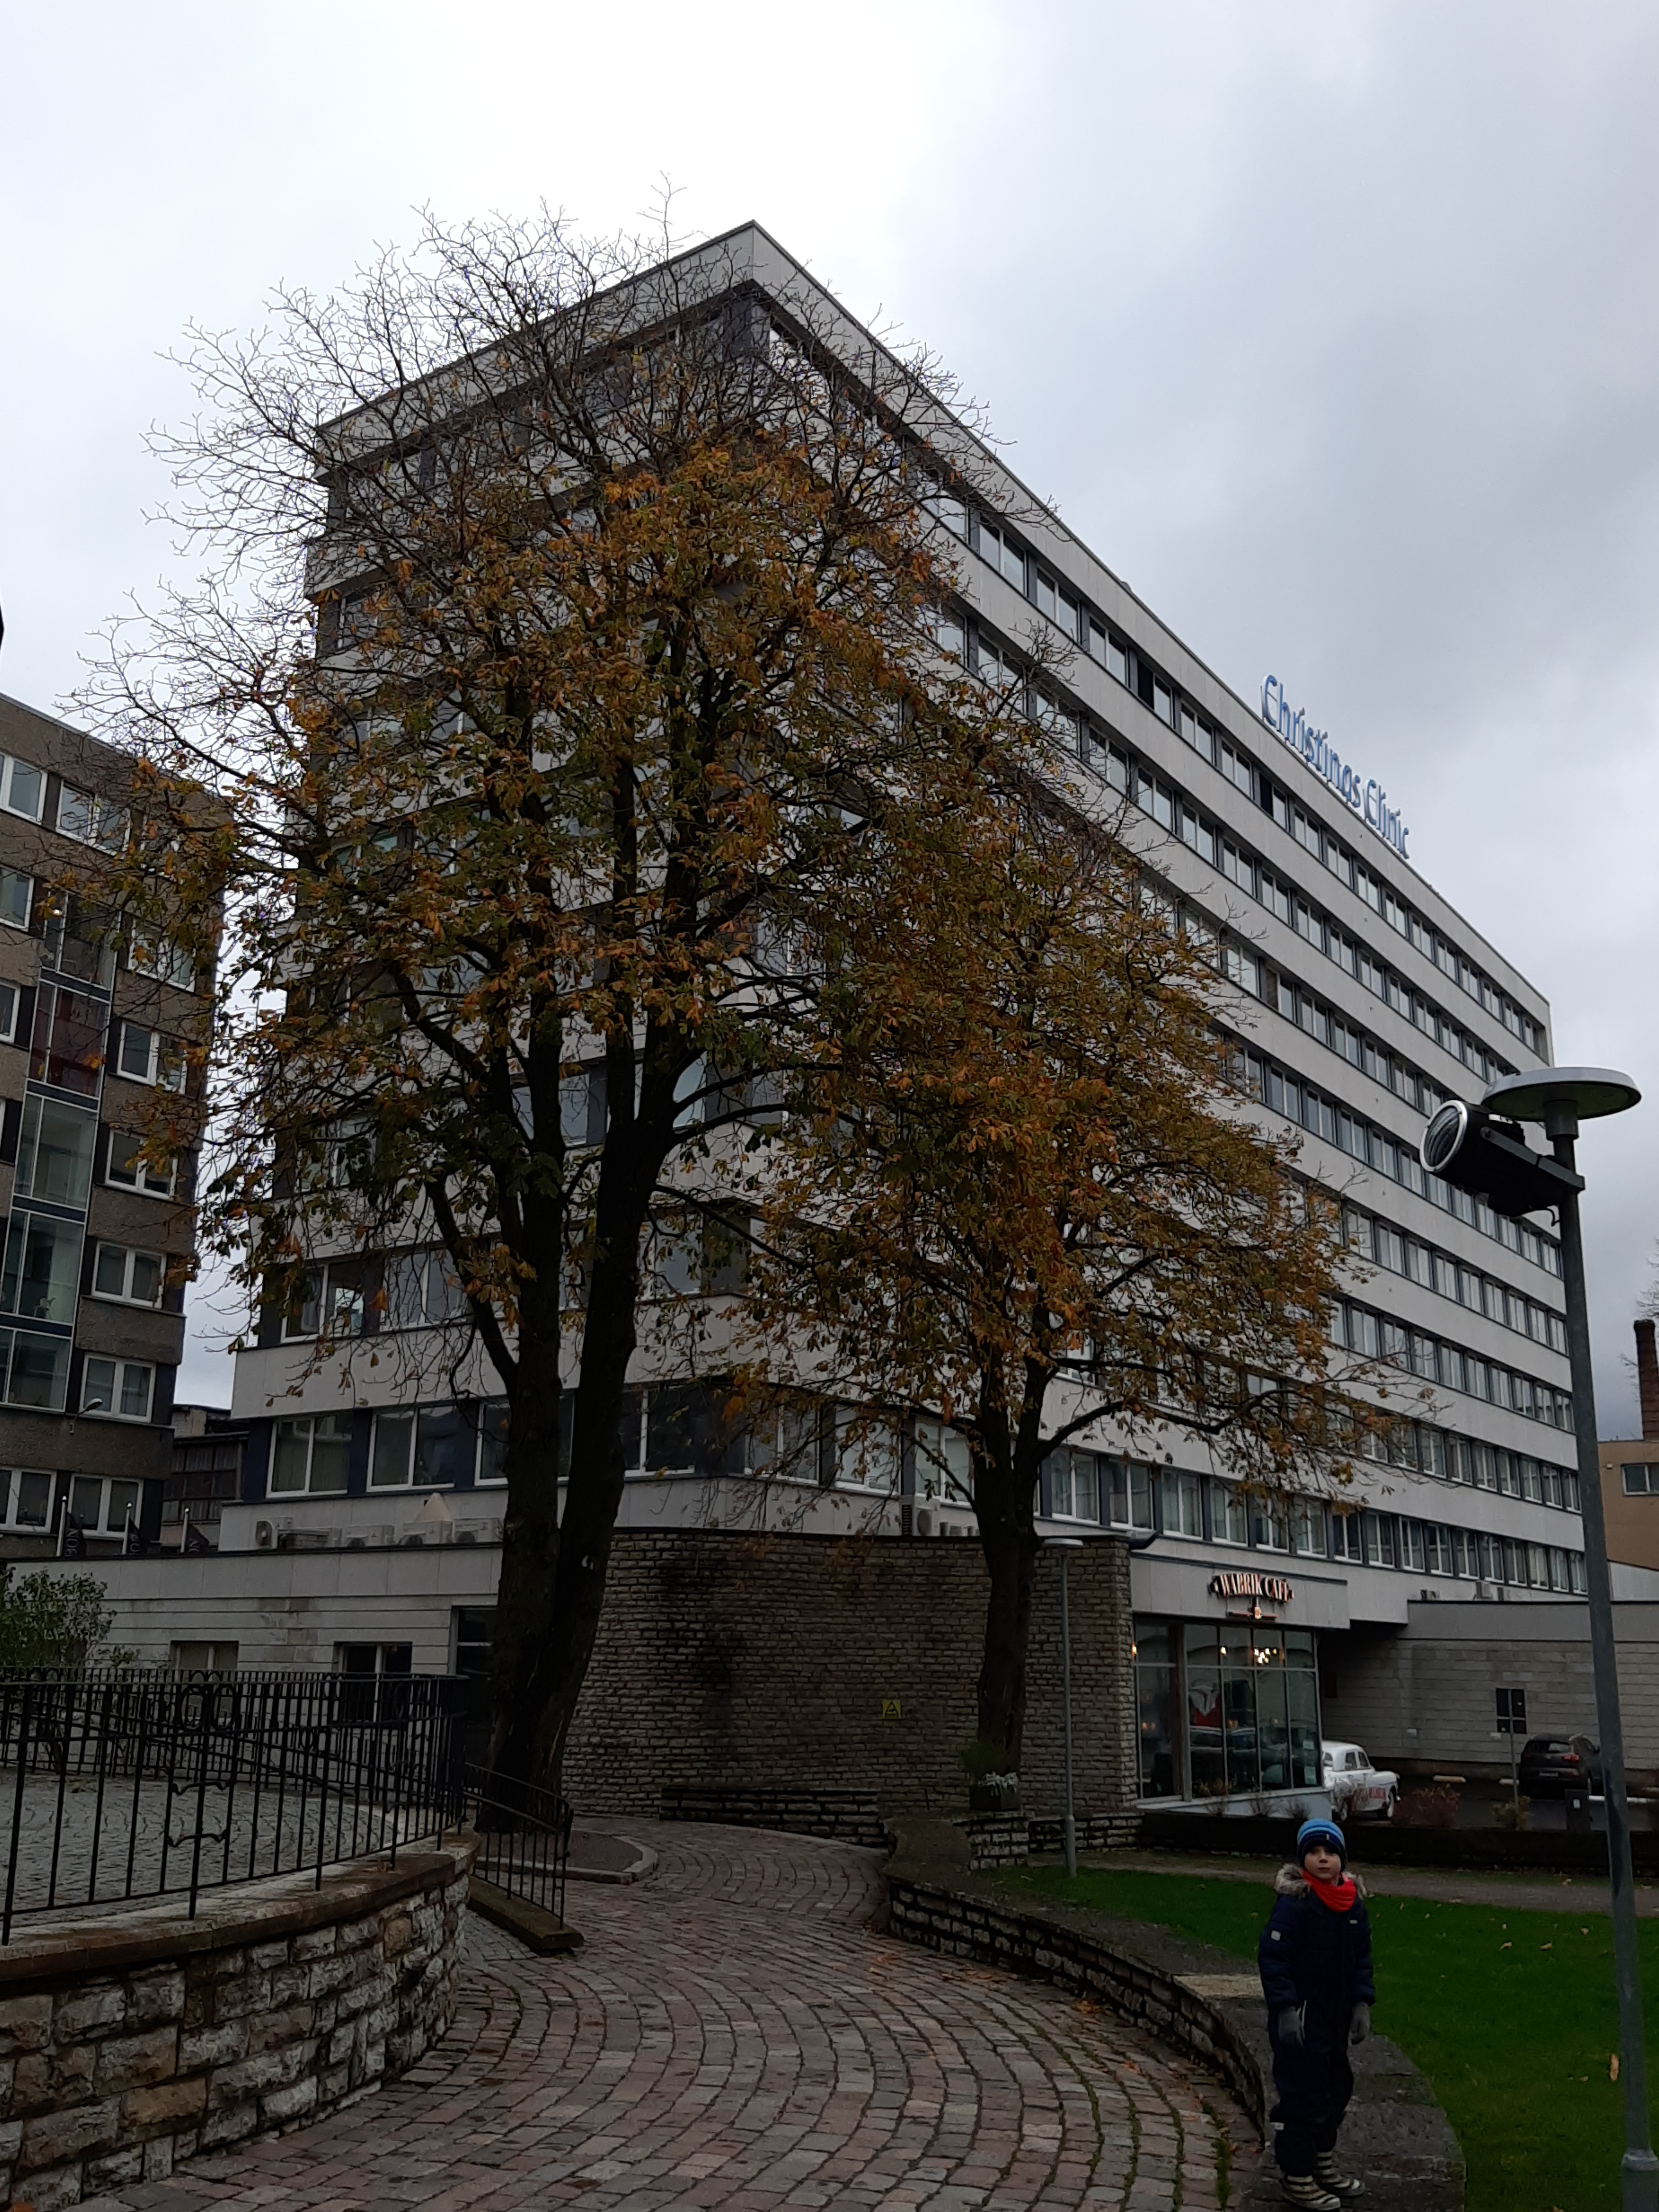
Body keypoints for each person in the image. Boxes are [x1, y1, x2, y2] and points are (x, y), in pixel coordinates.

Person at [1257, 1815, 1374, 2207]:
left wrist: (1361, 2002)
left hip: (1336, 2015)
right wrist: (1286, 2009)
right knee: (1303, 2095)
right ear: (1302, 1859)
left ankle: (1323, 2163)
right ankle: (1298, 2175)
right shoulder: (1296, 1905)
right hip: (1303, 2017)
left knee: (1335, 2090)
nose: (1323, 1860)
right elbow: (1274, 1959)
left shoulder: (1352, 1905)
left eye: (1330, 1853)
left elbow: (1362, 1960)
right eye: (1314, 1852)